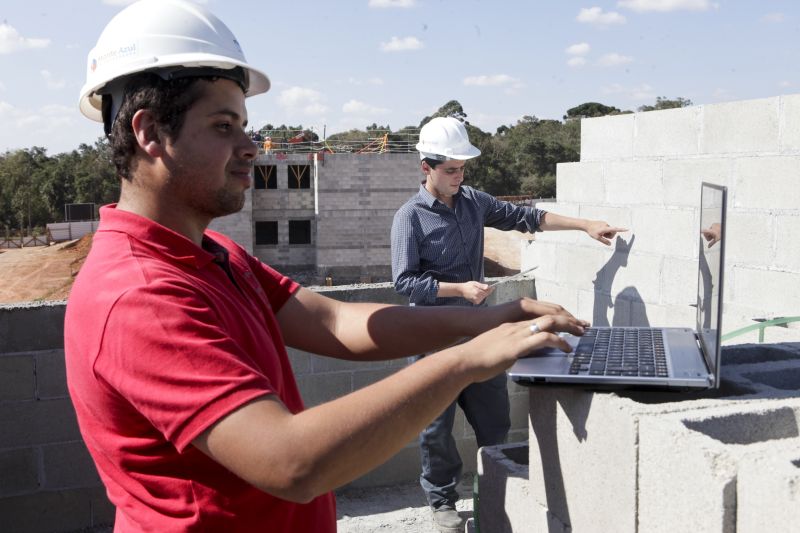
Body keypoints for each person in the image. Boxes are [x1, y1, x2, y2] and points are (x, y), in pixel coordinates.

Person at [64, 1, 590, 532]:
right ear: (150, 132)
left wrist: (500, 316)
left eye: (245, 125)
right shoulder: (140, 293)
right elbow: (292, 463)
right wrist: (466, 361)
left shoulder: (213, 257)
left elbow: (338, 324)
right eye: (224, 126)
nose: (250, 147)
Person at [391, 116, 627, 532]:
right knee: (436, 431)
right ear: (425, 168)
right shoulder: (409, 217)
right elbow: (405, 281)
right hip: (434, 339)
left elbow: (526, 218)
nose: (458, 177)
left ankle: (494, 490)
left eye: (462, 168)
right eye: (450, 170)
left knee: (494, 422)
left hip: (482, 335)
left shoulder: (473, 202)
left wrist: (585, 224)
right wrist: (459, 290)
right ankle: (443, 503)